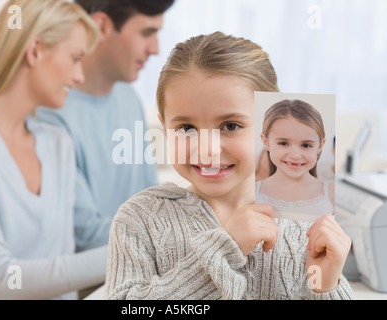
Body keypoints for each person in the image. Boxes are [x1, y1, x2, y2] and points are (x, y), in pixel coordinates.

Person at [104, 32, 355, 300]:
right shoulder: (140, 219)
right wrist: (224, 251)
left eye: (231, 126)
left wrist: (326, 287)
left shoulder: (305, 223)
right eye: (186, 128)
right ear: (165, 128)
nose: (207, 149)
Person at [0, 0, 107, 300]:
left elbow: (62, 271)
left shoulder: (58, 144)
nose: (79, 76)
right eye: (75, 58)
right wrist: (127, 255)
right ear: (35, 51)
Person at [36, 0, 175, 252]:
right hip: (93, 279)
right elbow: (85, 233)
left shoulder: (128, 98)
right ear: (101, 26)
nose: (155, 49)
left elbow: (151, 198)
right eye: (147, 32)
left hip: (142, 266)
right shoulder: (49, 114)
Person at [257, 99, 334, 223]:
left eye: (306, 145)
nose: (295, 155)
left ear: (320, 145)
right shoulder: (252, 194)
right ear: (265, 141)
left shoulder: (331, 194)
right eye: (283, 143)